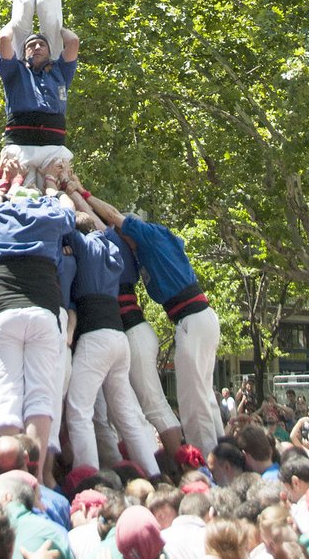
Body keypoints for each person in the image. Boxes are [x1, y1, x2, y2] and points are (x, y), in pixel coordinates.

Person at [86, 194, 223, 457]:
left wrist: (83, 194)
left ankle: (205, 458)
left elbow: (113, 216)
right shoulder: (151, 247)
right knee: (204, 395)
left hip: (191, 318)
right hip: (198, 317)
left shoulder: (146, 234)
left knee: (192, 399)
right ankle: (219, 449)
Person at [0, 180, 77, 476]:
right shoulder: (48, 216)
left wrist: (5, 182)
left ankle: (5, 476)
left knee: (7, 393)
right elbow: (70, 214)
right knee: (39, 396)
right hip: (42, 311)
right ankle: (34, 477)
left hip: (3, 311)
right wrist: (55, 190)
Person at [64, 214, 160, 481]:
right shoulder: (114, 253)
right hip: (118, 339)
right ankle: (152, 474)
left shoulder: (85, 246)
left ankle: (89, 478)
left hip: (95, 338)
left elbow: (61, 221)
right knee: (126, 415)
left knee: (78, 410)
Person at [0, 25, 79, 196]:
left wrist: (56, 26)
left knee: (59, 196)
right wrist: (16, 23)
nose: (37, 47)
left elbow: (73, 41)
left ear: (50, 51)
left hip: (53, 147)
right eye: (31, 45)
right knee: (19, 198)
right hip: (21, 147)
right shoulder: (14, 71)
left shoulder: (60, 71)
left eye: (42, 44)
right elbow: (4, 38)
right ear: (24, 52)